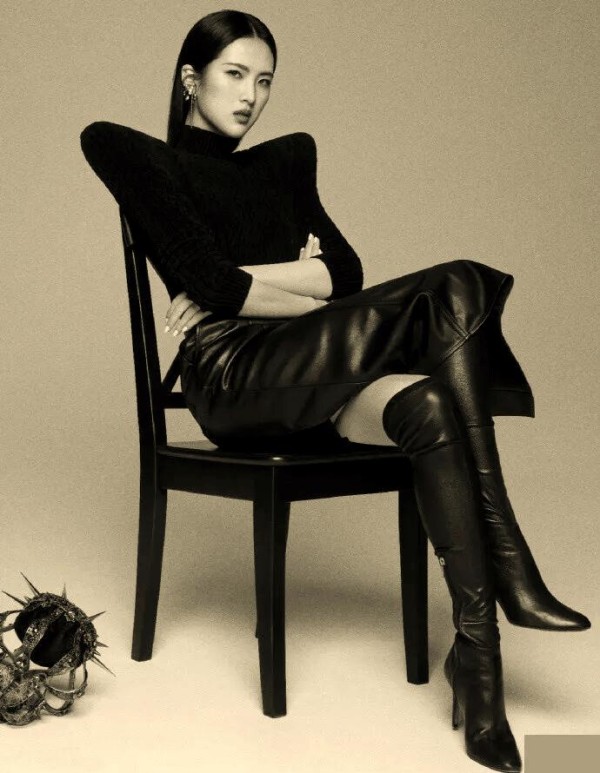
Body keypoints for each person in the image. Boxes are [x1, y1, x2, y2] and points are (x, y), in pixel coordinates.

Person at [80, 10, 590, 772]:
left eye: (265, 81)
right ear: (190, 79)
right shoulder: (137, 156)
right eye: (234, 75)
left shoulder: (286, 162)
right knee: (455, 285)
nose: (251, 96)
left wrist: (250, 286)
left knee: (429, 400)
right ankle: (510, 560)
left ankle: (477, 660)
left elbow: (342, 275)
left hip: (313, 367)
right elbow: (224, 286)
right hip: (233, 377)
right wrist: (287, 286)